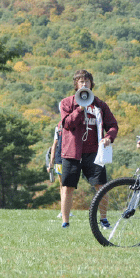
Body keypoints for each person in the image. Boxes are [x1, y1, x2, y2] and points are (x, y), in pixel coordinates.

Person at [59, 69, 118, 229]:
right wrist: (80, 109)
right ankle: (65, 221)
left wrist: (108, 137)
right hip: (72, 152)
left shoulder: (100, 104)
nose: (84, 84)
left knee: (101, 186)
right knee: (68, 187)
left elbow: (112, 125)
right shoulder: (67, 103)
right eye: (81, 82)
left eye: (86, 81)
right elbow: (67, 124)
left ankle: (104, 219)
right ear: (76, 85)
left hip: (94, 153)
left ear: (91, 84)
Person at [47, 124, 72, 219]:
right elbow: (54, 145)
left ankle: (66, 210)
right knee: (63, 186)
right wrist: (51, 162)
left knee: (68, 186)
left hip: (69, 157)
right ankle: (64, 211)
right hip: (60, 158)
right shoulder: (58, 126)